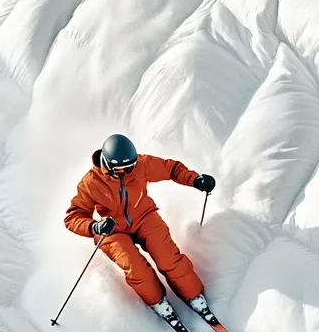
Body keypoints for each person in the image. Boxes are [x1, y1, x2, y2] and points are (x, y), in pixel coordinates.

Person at [64, 133, 216, 320]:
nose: (127, 172)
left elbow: (171, 169)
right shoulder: (91, 182)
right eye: (121, 169)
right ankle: (158, 301)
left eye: (130, 167)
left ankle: (194, 294)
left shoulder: (142, 165)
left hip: (144, 217)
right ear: (108, 165)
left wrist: (195, 180)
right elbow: (73, 217)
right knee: (136, 269)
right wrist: (95, 227)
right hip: (113, 229)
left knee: (168, 257)